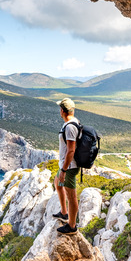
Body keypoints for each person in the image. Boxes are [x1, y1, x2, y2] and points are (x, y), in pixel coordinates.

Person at [53, 98, 80, 235]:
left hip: (69, 167)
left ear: (62, 111)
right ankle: (64, 212)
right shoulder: (72, 123)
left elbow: (71, 150)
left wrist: (64, 169)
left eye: (60, 109)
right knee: (57, 183)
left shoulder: (70, 127)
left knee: (71, 196)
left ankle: (72, 226)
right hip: (64, 165)